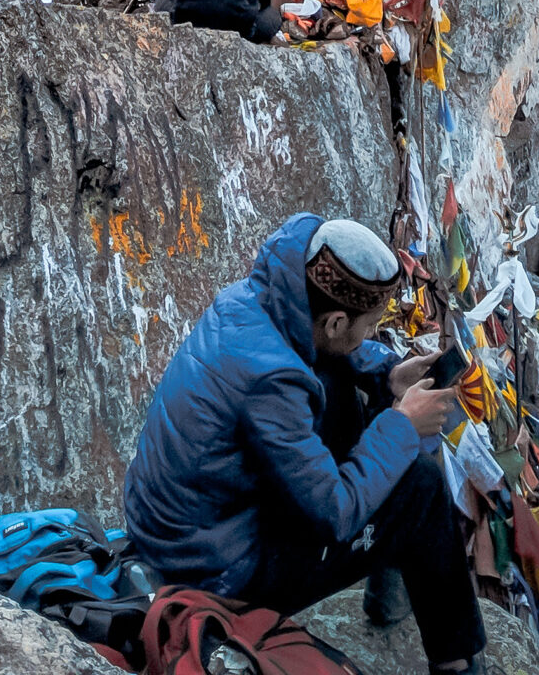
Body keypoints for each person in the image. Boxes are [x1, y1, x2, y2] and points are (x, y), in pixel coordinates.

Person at [124, 211, 484, 674]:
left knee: (347, 388)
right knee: (420, 484)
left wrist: (388, 374)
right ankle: (457, 662)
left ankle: (393, 577)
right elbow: (335, 512)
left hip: (195, 528)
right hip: (211, 572)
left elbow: (327, 353)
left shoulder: (261, 300)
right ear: (335, 322)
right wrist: (401, 426)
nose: (373, 335)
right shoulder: (269, 382)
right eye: (370, 325)